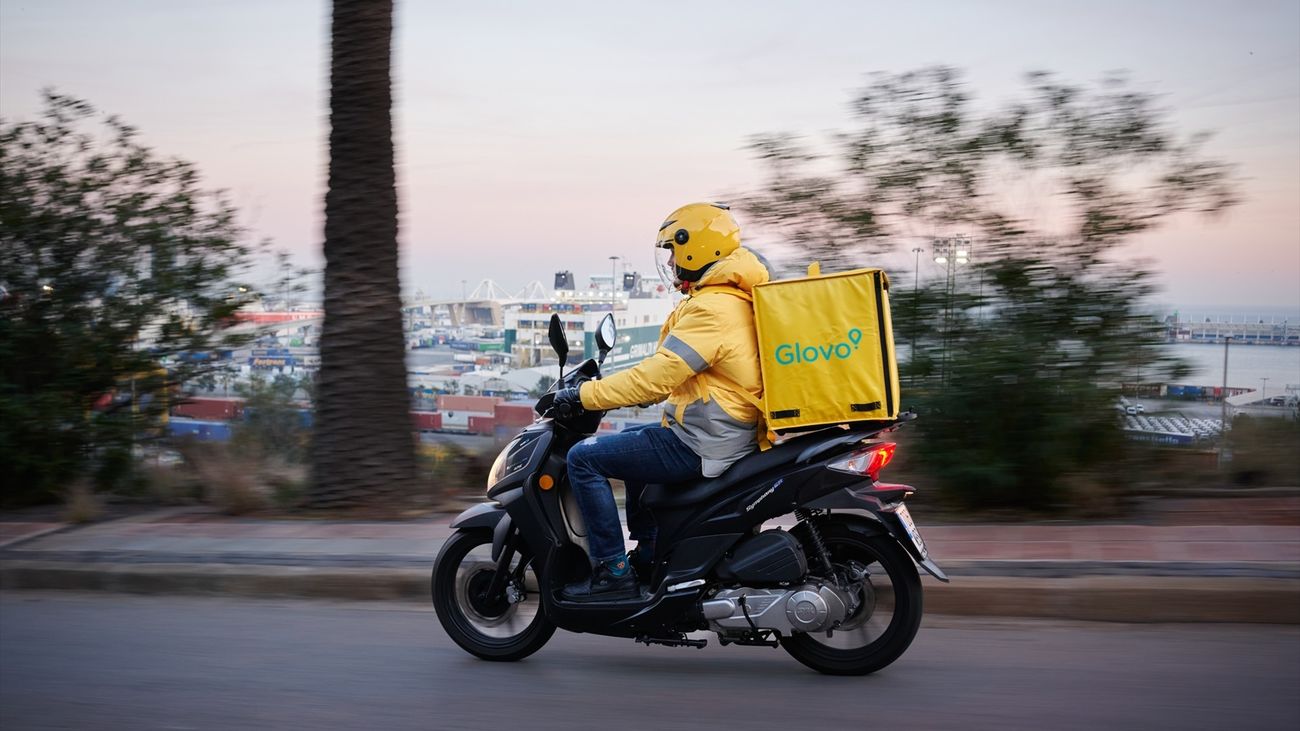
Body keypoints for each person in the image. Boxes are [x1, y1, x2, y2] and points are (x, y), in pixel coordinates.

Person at [552, 202, 769, 599]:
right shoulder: (727, 301)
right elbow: (668, 366)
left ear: (696, 248)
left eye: (673, 250)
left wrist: (585, 395)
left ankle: (611, 573)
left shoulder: (712, 310)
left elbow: (655, 380)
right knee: (634, 439)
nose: (670, 261)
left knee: (583, 458)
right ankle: (650, 551)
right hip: (718, 432)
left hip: (704, 441)